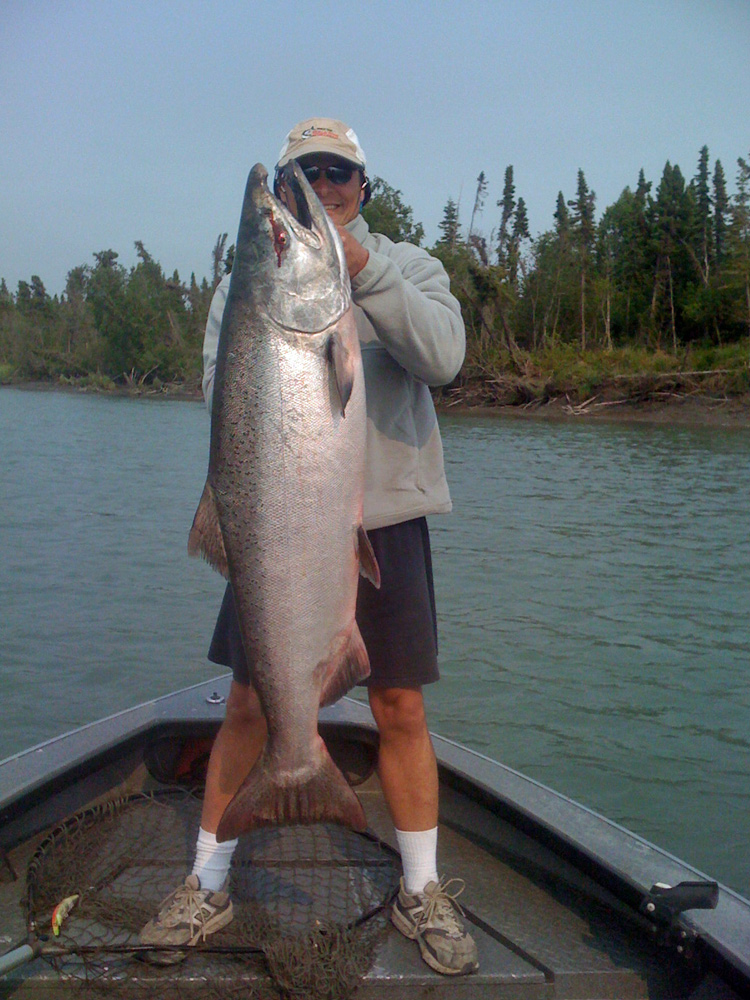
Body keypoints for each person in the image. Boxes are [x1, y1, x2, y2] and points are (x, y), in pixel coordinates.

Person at [140, 118, 478, 977]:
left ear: (364, 187)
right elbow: (223, 394)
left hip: (388, 525)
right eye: (304, 173)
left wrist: (360, 271)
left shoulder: (412, 268)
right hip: (275, 524)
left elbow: (443, 359)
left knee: (400, 710)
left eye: (339, 172)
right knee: (249, 706)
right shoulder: (249, 280)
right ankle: (208, 882)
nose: (321, 184)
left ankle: (423, 890)